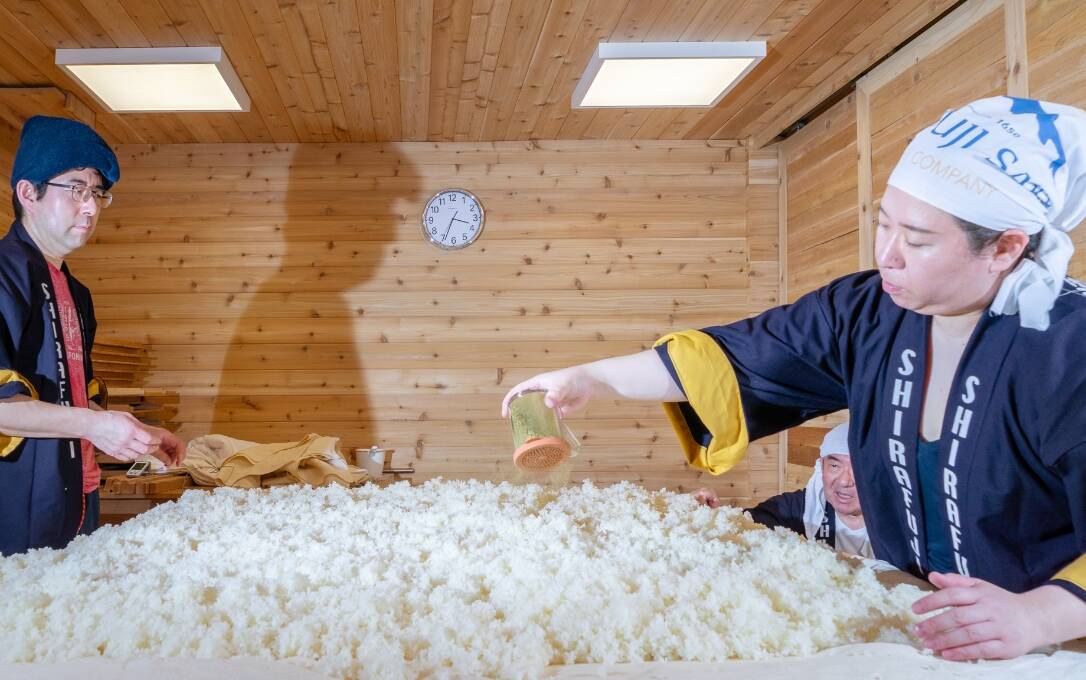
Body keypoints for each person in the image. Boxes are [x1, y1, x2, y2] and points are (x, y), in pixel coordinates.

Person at [502, 96, 1086, 661]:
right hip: (918, 619)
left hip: (1054, 640)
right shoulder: (867, 311)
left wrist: (1039, 615)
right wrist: (592, 377)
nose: (888, 254)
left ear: (1006, 247)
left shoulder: (1070, 347)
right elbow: (740, 358)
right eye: (884, 225)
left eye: (918, 240)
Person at [0, 115, 186, 555]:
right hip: (17, 502)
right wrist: (96, 425)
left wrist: (135, 431)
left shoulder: (74, 291)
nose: (91, 206)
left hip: (76, 493)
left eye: (98, 193)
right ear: (29, 192)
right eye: (77, 189)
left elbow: (73, 397)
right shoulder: (5, 275)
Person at [694, 422, 874, 560]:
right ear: (821, 467)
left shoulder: (900, 522)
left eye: (858, 468)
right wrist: (709, 513)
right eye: (834, 465)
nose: (844, 480)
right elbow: (742, 526)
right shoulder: (798, 509)